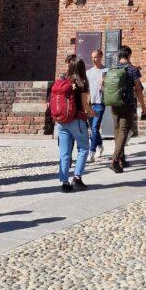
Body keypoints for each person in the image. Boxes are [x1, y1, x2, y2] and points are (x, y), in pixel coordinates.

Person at [104, 45, 146, 173]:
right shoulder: (132, 70)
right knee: (123, 130)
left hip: (114, 103)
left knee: (117, 130)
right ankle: (115, 160)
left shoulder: (111, 69)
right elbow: (138, 89)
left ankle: (121, 159)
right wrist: (143, 106)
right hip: (127, 103)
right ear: (129, 55)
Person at [53, 55, 91, 191]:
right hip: (77, 120)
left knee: (64, 153)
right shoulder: (82, 83)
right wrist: (92, 114)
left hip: (62, 121)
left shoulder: (62, 80)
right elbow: (85, 105)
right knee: (83, 148)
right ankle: (77, 178)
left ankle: (64, 183)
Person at [86, 49, 107, 163]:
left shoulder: (106, 71)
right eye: (92, 57)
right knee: (93, 129)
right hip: (90, 104)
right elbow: (87, 90)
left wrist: (104, 85)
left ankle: (91, 152)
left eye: (96, 57)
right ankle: (99, 145)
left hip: (100, 103)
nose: (94, 59)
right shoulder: (88, 72)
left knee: (94, 128)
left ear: (101, 57)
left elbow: (109, 89)